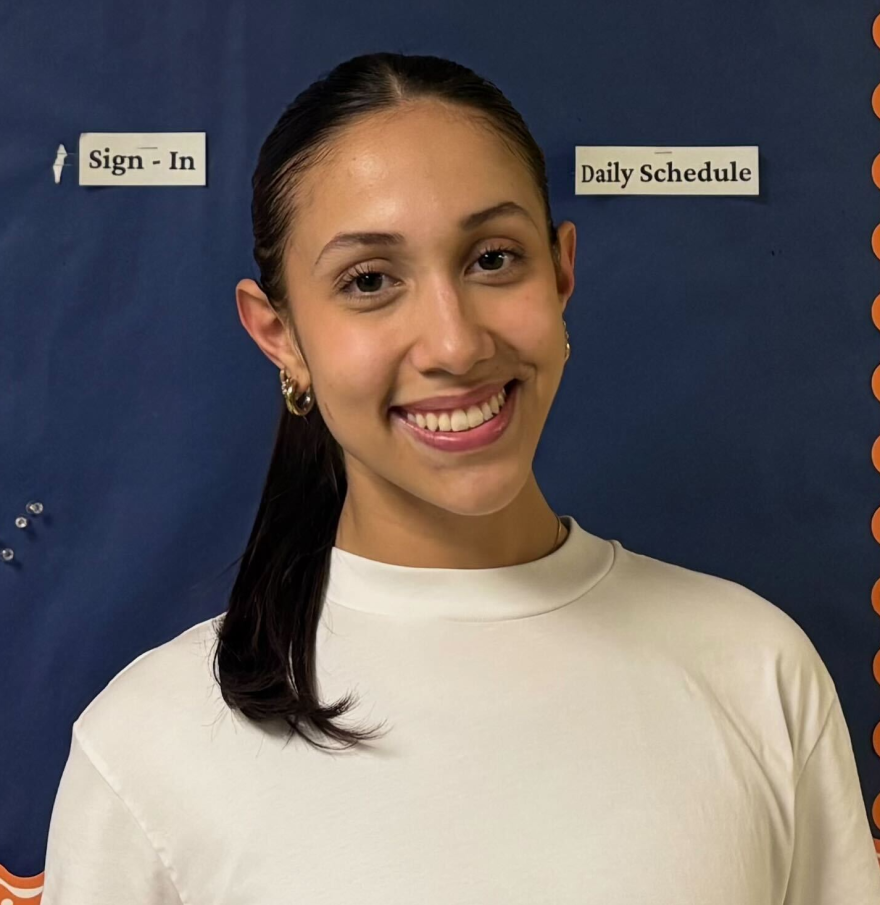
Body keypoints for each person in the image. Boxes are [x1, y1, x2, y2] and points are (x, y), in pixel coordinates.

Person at [41, 51, 880, 904]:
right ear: (279, 335)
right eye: (370, 281)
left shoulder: (758, 668)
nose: (455, 343)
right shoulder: (147, 745)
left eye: (492, 259)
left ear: (562, 271)